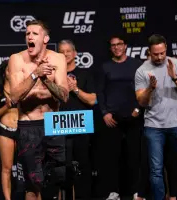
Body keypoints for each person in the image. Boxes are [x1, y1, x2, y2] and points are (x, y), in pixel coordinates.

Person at [8, 19, 69, 200]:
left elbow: (64, 96)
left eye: (34, 33)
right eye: (27, 33)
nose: (29, 37)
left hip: (53, 124)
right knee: (32, 184)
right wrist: (35, 74)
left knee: (57, 182)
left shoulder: (58, 59)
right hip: (28, 126)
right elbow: (13, 97)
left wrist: (47, 81)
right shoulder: (17, 59)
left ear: (45, 39)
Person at [135, 34, 177, 200]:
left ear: (166, 48)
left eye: (162, 53)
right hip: (154, 127)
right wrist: (150, 89)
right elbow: (142, 102)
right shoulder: (142, 71)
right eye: (155, 54)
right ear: (149, 52)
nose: (159, 57)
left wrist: (174, 77)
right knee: (156, 171)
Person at [96, 34, 143, 200]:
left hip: (133, 117)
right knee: (112, 158)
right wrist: (105, 113)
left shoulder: (137, 65)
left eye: (119, 44)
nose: (116, 47)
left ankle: (137, 191)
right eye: (113, 45)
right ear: (111, 48)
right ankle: (113, 191)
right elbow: (100, 92)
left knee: (134, 156)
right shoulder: (105, 67)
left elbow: (143, 89)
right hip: (112, 119)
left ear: (125, 46)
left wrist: (138, 109)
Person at [58, 39, 97, 200]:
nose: (65, 54)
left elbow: (92, 100)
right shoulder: (54, 76)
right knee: (62, 168)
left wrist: (74, 89)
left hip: (81, 126)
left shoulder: (85, 74)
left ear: (75, 54)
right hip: (59, 127)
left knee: (83, 167)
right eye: (61, 51)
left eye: (68, 51)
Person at [0, 60, 18, 200]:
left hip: (21, 130)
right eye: (8, 69)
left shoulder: (21, 88)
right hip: (5, 131)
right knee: (7, 168)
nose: (11, 72)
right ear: (4, 71)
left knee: (25, 166)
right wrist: (6, 106)